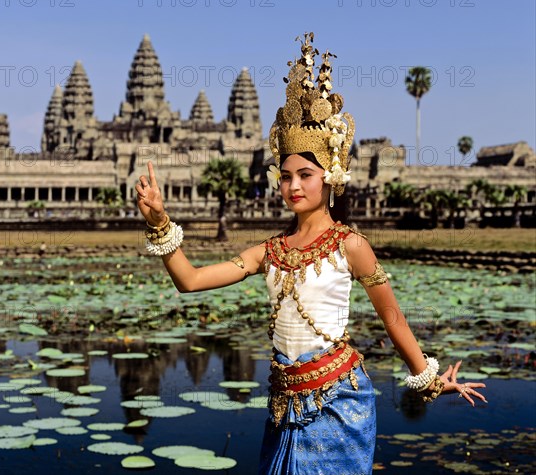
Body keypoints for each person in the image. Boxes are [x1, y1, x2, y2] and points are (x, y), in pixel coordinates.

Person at [135, 33, 487, 475]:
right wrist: (158, 221)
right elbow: (189, 280)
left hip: (339, 402)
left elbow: (392, 319)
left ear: (331, 177)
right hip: (283, 407)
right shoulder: (269, 251)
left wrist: (430, 379)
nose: (294, 186)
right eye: (285, 176)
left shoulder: (351, 246)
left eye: (305, 174)